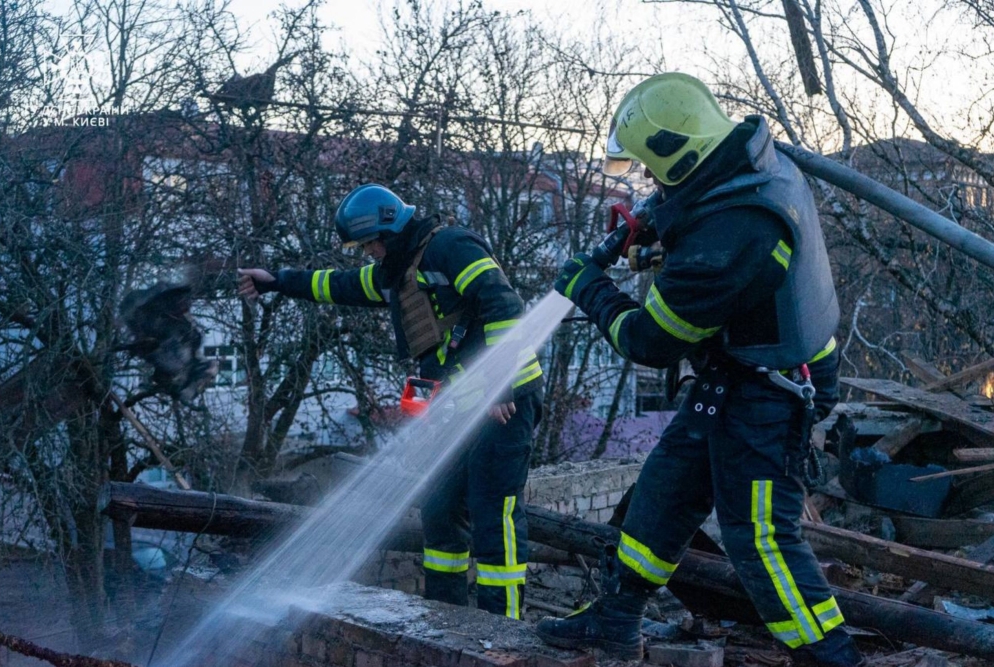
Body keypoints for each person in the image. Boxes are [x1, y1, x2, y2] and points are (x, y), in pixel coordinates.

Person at [536, 73, 863, 666]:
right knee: (659, 499)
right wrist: (655, 231)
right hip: (736, 377)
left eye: (653, 168)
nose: (648, 181)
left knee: (761, 541)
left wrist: (590, 289)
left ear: (679, 152)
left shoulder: (734, 234)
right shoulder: (749, 161)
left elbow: (650, 339)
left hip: (769, 396)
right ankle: (616, 620)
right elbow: (700, 209)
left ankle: (833, 657)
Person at [238, 184, 543, 619]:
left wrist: (498, 383)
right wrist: (277, 282)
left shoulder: (452, 247)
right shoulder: (395, 272)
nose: (370, 254)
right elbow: (339, 285)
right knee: (439, 511)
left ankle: (503, 629)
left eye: (370, 244)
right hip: (457, 405)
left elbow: (504, 306)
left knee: (493, 513)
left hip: (504, 402)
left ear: (390, 228)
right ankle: (446, 620)